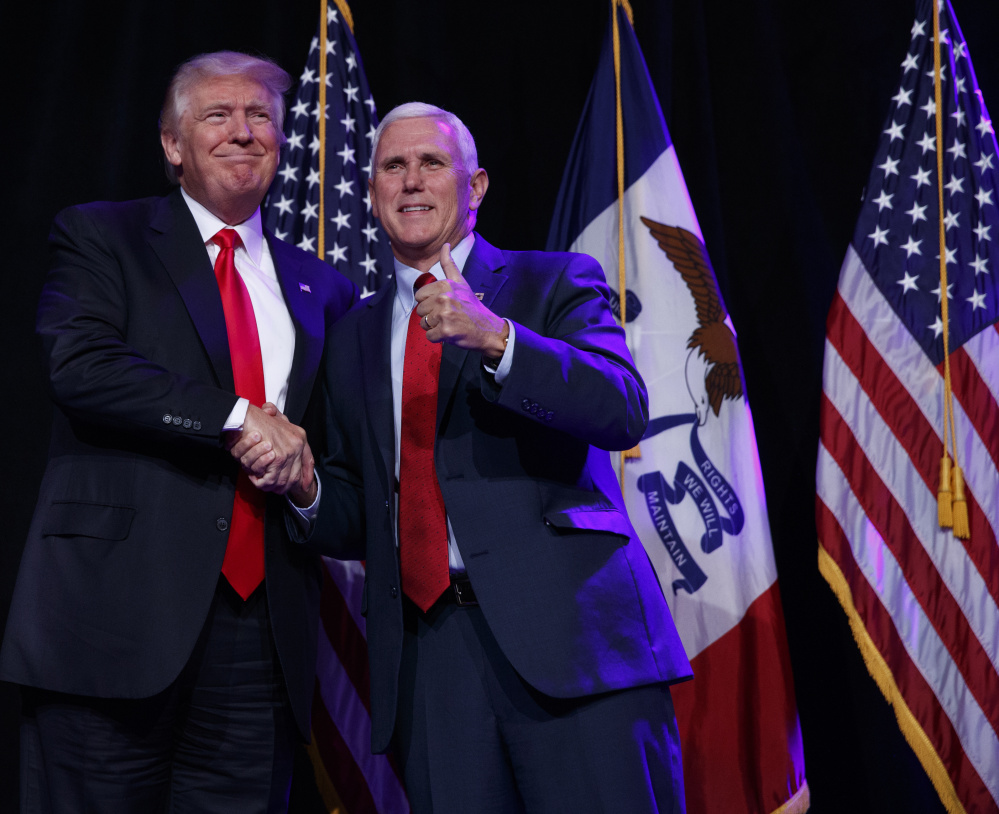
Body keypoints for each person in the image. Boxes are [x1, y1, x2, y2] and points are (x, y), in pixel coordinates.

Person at [238, 102, 693, 812]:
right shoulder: (350, 333)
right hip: (431, 662)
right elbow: (363, 505)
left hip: (572, 645)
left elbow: (620, 407)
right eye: (393, 166)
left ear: (474, 186)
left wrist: (500, 339)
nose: (411, 181)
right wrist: (304, 487)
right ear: (372, 192)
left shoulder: (550, 283)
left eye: (431, 163)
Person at [0, 51, 356, 812]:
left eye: (260, 115)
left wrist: (307, 480)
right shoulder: (103, 237)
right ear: (172, 145)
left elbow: (332, 444)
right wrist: (234, 417)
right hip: (112, 620)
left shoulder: (322, 286)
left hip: (258, 637)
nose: (243, 131)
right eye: (216, 115)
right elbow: (81, 366)